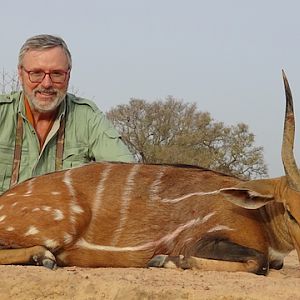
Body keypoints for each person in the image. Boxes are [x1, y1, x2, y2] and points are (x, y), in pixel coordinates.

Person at [0, 34, 135, 194]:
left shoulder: (87, 116)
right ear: (20, 74)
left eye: (57, 74)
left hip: (66, 218)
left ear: (68, 75)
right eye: (36, 73)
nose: (47, 83)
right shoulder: (3, 111)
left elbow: (128, 177)